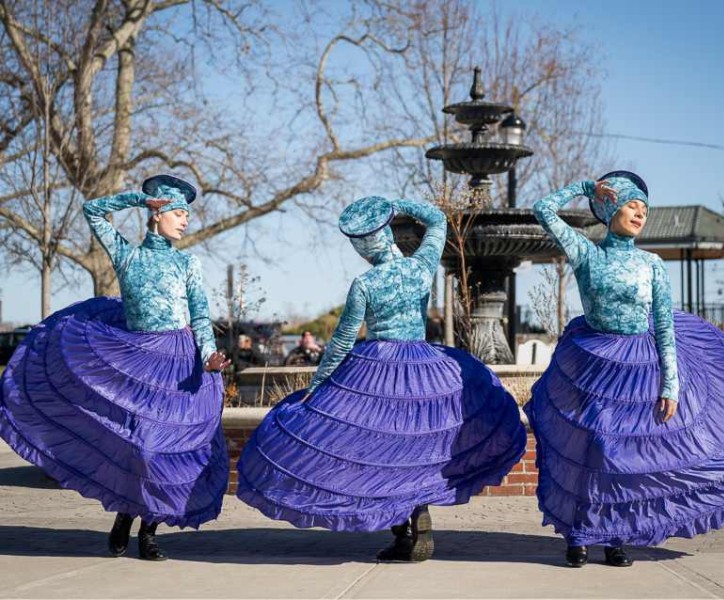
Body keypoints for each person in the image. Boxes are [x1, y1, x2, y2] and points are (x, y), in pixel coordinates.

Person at [237, 196, 526, 561]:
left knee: (380, 451)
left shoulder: (365, 284)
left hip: (377, 367)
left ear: (362, 246)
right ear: (388, 234)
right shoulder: (420, 267)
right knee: (416, 447)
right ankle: (418, 513)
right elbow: (437, 220)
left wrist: (318, 384)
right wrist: (398, 204)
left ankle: (402, 533)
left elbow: (342, 339)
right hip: (422, 362)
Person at [525, 171, 724, 568]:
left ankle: (616, 538)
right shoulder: (586, 253)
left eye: (645, 208)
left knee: (624, 455)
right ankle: (579, 535)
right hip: (594, 361)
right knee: (594, 450)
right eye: (632, 205)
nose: (640, 214)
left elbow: (664, 325)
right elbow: (543, 209)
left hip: (638, 367)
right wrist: (586, 189)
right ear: (610, 209)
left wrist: (670, 385)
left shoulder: (652, 264)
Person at [0, 174, 231, 561]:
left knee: (160, 450)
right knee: (136, 448)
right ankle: (126, 513)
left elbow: (202, 316)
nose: (185, 220)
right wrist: (139, 200)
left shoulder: (188, 263)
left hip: (179, 362)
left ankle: (149, 533)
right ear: (157, 215)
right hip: (136, 360)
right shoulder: (128, 255)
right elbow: (92, 210)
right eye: (177, 212)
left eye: (186, 214)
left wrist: (208, 353)